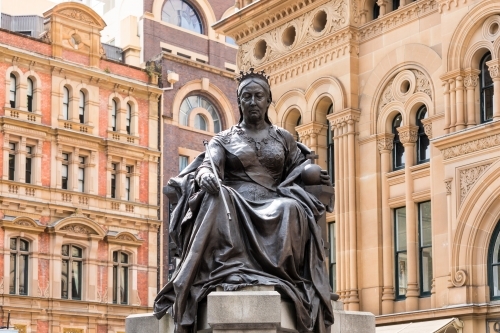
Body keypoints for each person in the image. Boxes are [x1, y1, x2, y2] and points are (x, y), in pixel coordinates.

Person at [154, 69, 334, 333]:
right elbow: (208, 165)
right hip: (235, 199)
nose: (252, 101)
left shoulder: (283, 137)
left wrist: (313, 173)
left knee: (293, 208)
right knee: (219, 197)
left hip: (275, 198)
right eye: (246, 96)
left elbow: (298, 167)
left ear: (268, 100)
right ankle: (232, 267)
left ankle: (278, 274)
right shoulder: (224, 139)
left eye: (258, 96)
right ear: (239, 102)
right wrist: (205, 177)